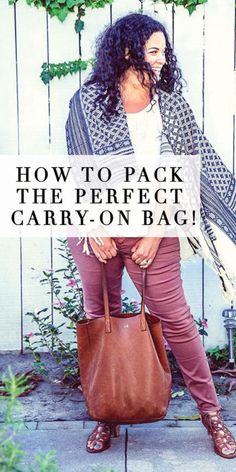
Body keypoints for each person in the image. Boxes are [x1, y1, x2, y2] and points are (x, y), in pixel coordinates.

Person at [65, 13, 236, 458]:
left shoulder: (171, 104)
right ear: (126, 51)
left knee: (176, 320)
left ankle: (212, 415)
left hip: (154, 229)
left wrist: (157, 232)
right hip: (95, 231)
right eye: (153, 51)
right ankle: (107, 414)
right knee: (101, 320)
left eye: (164, 51)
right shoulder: (86, 102)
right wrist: (94, 226)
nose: (161, 60)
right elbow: (78, 170)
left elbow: (183, 173)